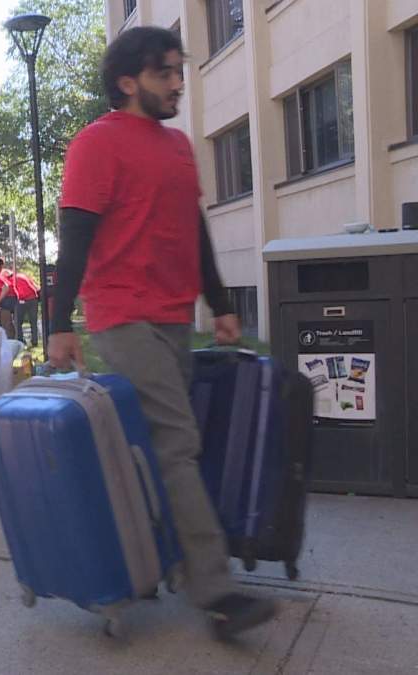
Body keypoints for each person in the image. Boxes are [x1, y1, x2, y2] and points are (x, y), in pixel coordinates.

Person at [47, 26, 275, 640]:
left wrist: (221, 303)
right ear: (129, 82)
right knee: (177, 443)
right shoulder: (96, 144)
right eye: (165, 73)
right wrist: (56, 323)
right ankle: (215, 590)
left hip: (175, 315)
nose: (178, 82)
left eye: (180, 70)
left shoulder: (177, 146)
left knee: (154, 446)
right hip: (121, 314)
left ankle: (149, 561)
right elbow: (75, 240)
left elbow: (194, 228)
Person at [8, 269, 41, 346]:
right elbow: (35, 286)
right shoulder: (23, 276)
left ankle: (20, 341)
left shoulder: (12, 280)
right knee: (33, 322)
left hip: (24, 300)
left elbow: (19, 293)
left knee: (17, 322)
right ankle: (34, 341)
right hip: (34, 298)